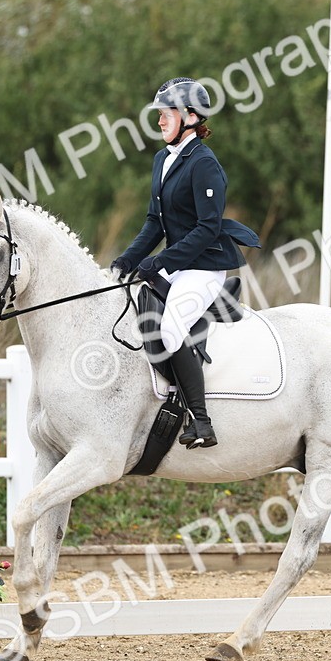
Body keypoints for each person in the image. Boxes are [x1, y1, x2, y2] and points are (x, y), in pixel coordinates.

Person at [110, 77, 260, 449]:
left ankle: (201, 421)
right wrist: (129, 259)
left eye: (166, 114)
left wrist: (159, 262)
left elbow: (208, 229)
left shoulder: (204, 165)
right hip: (179, 262)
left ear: (190, 117)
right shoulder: (163, 159)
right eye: (160, 114)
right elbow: (155, 222)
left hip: (205, 266)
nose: (160, 121)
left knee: (172, 328)